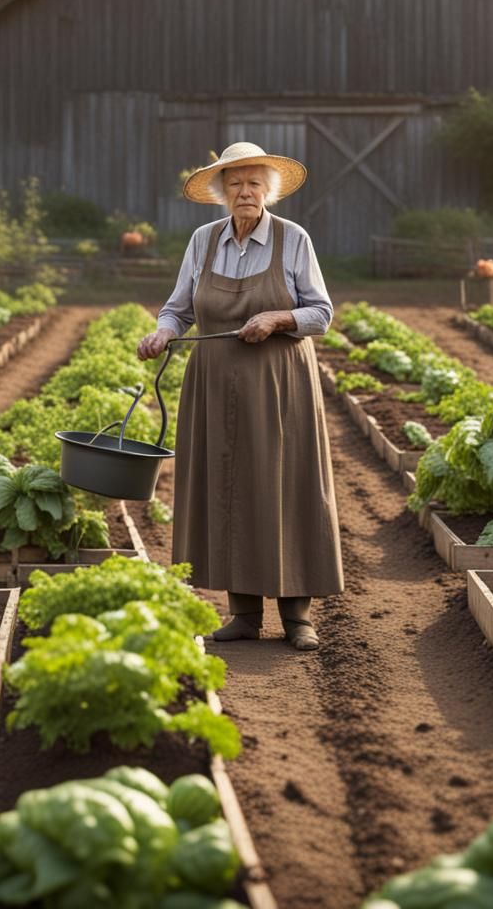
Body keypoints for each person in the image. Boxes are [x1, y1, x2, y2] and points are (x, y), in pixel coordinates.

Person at [137, 142, 344, 651]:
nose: (245, 192)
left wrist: (277, 318)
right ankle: (244, 614)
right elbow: (177, 307)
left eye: (254, 183)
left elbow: (321, 312)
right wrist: (163, 332)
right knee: (227, 487)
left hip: (279, 385)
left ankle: (298, 619)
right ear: (221, 192)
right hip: (214, 383)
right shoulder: (203, 242)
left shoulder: (293, 239)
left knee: (285, 486)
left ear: (267, 190)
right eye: (235, 184)